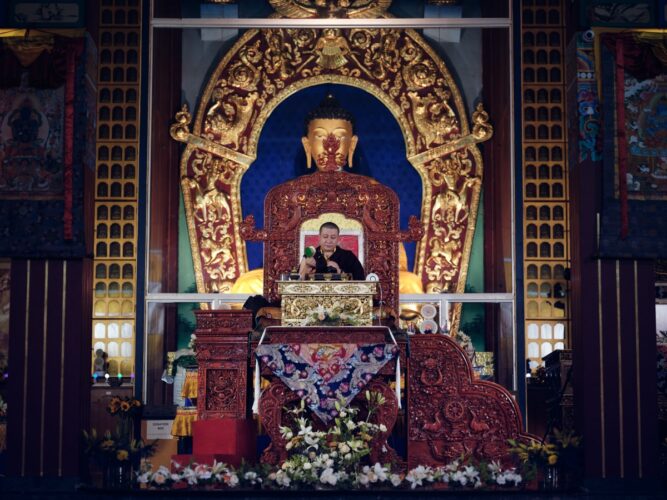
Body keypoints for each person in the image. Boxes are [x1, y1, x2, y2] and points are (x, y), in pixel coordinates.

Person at [299, 221, 365, 280]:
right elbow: (297, 281)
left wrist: (339, 271)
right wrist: (306, 267)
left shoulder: (348, 256)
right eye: (325, 237)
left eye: (333, 237)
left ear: (338, 238)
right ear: (319, 237)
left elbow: (360, 281)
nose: (329, 241)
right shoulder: (311, 254)